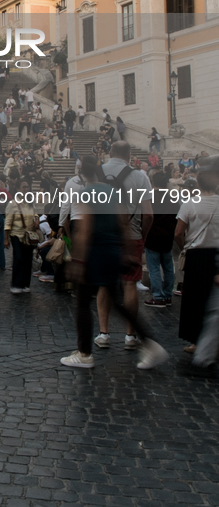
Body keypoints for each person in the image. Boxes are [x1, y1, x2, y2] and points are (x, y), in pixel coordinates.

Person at [60, 155, 168, 370]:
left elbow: (85, 228)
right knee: (116, 300)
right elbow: (124, 224)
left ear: (83, 174)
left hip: (95, 252)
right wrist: (128, 253)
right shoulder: (113, 193)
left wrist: (78, 260)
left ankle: (84, 353)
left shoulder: (85, 193)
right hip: (113, 251)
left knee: (82, 302)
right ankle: (149, 343)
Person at [95, 142, 153, 351]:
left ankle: (103, 333)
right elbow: (149, 215)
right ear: (130, 155)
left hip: (103, 236)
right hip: (133, 235)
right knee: (130, 284)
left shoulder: (96, 172)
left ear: (109, 153)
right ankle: (130, 336)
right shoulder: (140, 176)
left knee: (103, 284)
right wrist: (142, 237)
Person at [175, 168, 219, 354]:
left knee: (194, 299)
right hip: (216, 255)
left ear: (199, 183)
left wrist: (184, 246)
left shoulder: (190, 203)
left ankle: (195, 341)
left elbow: (178, 232)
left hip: (196, 255)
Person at [143, 171, 179, 307]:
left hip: (152, 237)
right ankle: (168, 295)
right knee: (168, 267)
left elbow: (146, 217)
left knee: (154, 269)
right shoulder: (173, 199)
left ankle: (158, 297)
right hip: (168, 238)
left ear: (153, 182)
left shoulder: (150, 198)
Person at [5, 180, 40, 294]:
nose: (26, 189)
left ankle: (25, 284)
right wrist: (6, 238)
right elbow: (8, 222)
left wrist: (36, 219)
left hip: (29, 235)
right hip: (17, 234)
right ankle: (16, 284)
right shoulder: (13, 204)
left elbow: (35, 213)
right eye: (24, 187)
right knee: (19, 258)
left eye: (27, 187)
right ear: (18, 189)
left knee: (28, 259)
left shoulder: (30, 202)